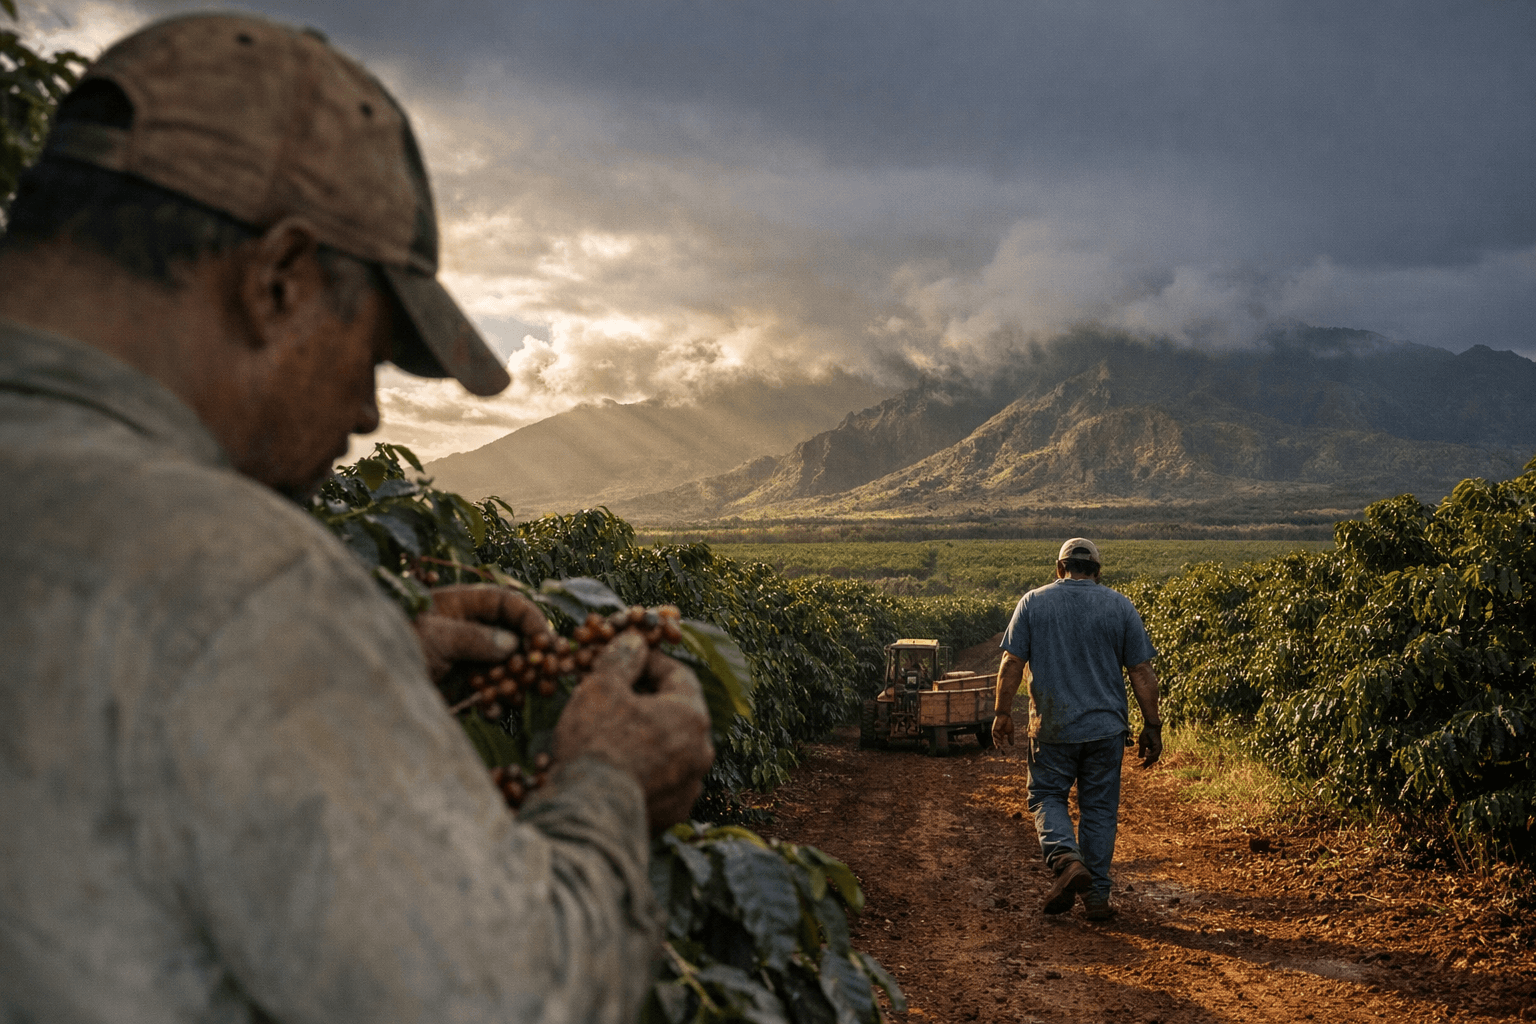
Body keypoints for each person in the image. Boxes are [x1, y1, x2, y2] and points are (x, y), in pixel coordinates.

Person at [0, 14, 713, 1023]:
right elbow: (516, 1000)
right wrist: (606, 786)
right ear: (280, 279)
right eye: (372, 352)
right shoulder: (242, 579)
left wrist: (344, 675)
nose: (370, 412)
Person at [990, 538, 1162, 921]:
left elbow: (1012, 663)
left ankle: (1066, 860)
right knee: (1099, 809)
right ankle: (1097, 896)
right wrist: (1153, 725)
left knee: (1047, 796)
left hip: (1052, 727)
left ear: (1060, 567)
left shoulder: (1033, 602)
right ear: (1097, 571)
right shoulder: (1120, 605)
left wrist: (1002, 712)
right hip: (1106, 730)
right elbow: (1142, 672)